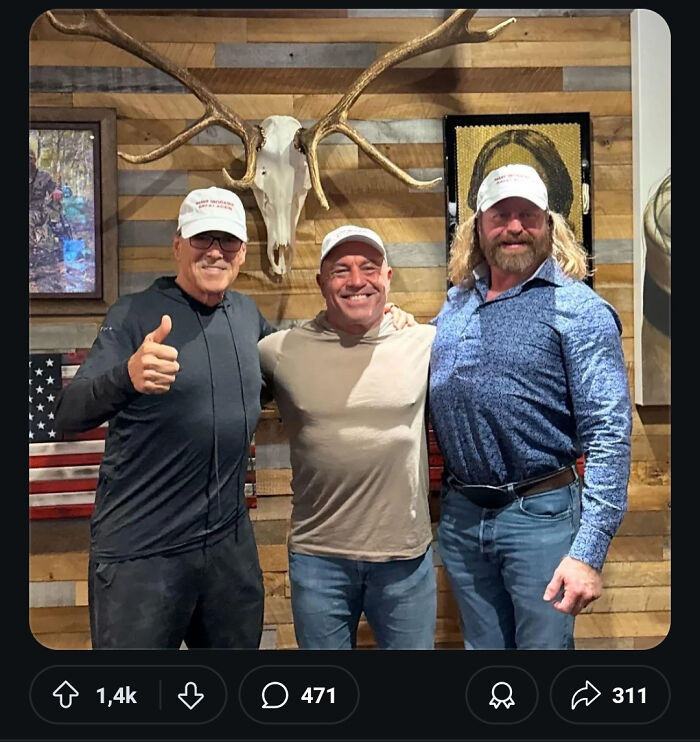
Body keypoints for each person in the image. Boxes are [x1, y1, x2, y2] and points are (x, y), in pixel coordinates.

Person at [55, 187, 271, 649]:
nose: (214, 251)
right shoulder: (134, 314)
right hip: (142, 555)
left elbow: (292, 357)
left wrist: (380, 322)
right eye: (201, 239)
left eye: (226, 241)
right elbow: (69, 413)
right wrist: (127, 377)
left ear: (242, 253)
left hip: (228, 554)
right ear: (177, 244)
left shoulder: (247, 315)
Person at [430, 164, 631, 649]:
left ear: (549, 224)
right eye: (500, 215)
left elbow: (609, 434)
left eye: (527, 215)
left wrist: (588, 553)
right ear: (478, 226)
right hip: (462, 517)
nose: (514, 226)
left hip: (539, 517)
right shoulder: (456, 303)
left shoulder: (579, 309)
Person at [258, 225, 437, 649]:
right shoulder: (277, 351)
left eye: (369, 268)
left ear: (388, 278)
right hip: (319, 560)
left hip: (405, 561)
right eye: (341, 270)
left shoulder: (424, 342)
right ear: (321, 282)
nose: (357, 280)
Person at [29, 149, 63, 248]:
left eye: (30, 159)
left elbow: (54, 189)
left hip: (38, 211)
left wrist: (56, 191)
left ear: (34, 160)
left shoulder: (44, 176)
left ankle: (30, 254)